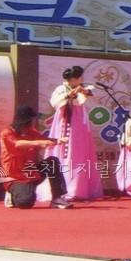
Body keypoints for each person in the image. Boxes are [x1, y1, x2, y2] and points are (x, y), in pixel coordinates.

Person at [46, 65, 103, 201]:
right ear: (73, 79)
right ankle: (60, 188)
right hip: (63, 121)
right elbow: (54, 102)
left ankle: (77, 188)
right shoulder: (61, 89)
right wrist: (68, 95)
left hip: (78, 121)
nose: (82, 79)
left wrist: (82, 91)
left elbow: (84, 98)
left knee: (78, 152)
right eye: (79, 77)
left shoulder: (82, 88)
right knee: (63, 151)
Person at [0, 105, 72, 209]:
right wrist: (39, 143)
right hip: (15, 177)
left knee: (52, 162)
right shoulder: (7, 133)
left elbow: (44, 140)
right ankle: (12, 194)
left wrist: (58, 141)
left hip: (31, 172)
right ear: (24, 120)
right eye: (31, 119)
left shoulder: (32, 132)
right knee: (25, 202)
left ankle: (57, 198)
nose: (33, 122)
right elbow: (17, 144)